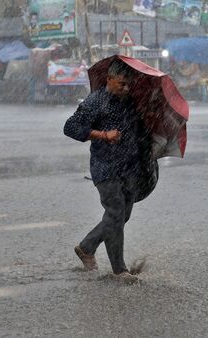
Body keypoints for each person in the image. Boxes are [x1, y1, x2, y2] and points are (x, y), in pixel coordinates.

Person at [63, 60, 149, 283]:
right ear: (109, 79)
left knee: (123, 215)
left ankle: (87, 246)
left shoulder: (129, 100)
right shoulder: (95, 101)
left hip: (128, 167)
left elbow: (138, 129)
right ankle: (119, 270)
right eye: (122, 84)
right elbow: (70, 127)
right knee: (115, 212)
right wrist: (103, 135)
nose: (126, 88)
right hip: (105, 166)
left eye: (129, 84)